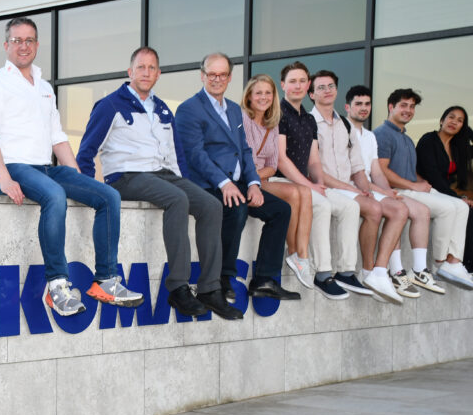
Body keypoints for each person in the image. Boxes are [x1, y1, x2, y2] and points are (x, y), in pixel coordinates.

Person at [0, 16, 144, 317]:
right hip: (11, 168)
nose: (23, 46)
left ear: (37, 45)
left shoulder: (44, 88)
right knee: (53, 195)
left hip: (44, 169)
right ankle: (57, 287)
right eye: (17, 40)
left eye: (29, 40)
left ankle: (106, 279)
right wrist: (2, 178)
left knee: (108, 196)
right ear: (6, 45)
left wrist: (79, 180)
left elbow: (58, 138)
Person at [76, 47, 242, 320]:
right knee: (178, 200)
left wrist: (186, 185)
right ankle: (178, 288)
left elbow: (177, 156)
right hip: (126, 177)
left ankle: (210, 289)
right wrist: (86, 188)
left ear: (158, 74)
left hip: (164, 174)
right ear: (130, 72)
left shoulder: (163, 108)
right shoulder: (110, 105)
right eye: (141, 67)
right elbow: (86, 151)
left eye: (152, 68)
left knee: (210, 205)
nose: (146, 72)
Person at [176, 52, 300, 302]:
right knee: (237, 207)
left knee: (280, 210)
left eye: (222, 74)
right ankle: (222, 277)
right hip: (206, 183)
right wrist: (224, 183)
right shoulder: (189, 109)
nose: (217, 79)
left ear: (230, 78)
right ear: (202, 76)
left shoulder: (234, 111)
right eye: (212, 74)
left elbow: (244, 150)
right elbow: (195, 155)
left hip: (237, 182)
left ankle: (264, 279)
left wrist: (254, 183)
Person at [308, 70, 405, 304]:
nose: (327, 90)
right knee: (373, 210)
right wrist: (351, 188)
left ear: (337, 91)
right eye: (321, 87)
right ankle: (364, 271)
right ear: (311, 94)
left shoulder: (345, 125)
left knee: (376, 206)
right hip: (326, 186)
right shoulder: (309, 122)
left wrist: (367, 190)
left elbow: (358, 168)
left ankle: (370, 273)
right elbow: (314, 168)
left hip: (347, 186)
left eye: (331, 86)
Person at [274, 61, 363, 300]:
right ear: (283, 85)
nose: (298, 85)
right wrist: (309, 186)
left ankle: (345, 271)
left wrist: (319, 183)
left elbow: (314, 161)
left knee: (350, 206)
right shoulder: (278, 113)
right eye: (292, 81)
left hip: (305, 183)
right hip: (282, 182)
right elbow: (281, 160)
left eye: (303, 81)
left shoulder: (309, 120)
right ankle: (323, 273)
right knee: (321, 205)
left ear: (308, 86)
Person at [375, 89, 473, 290]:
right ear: (391, 107)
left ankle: (453, 261)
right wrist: (414, 185)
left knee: (461, 207)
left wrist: (423, 183)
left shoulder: (405, 138)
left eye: (412, 107)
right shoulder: (382, 134)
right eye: (403, 105)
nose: (408, 110)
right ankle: (439, 264)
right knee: (447, 209)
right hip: (398, 191)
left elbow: (409, 171)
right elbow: (381, 170)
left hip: (413, 188)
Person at [344, 85, 434, 298]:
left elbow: (376, 170)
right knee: (395, 210)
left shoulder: (369, 136)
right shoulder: (343, 131)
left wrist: (387, 191)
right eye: (358, 104)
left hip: (369, 186)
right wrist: (380, 191)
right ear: (347, 107)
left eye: (367, 104)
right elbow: (353, 173)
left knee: (400, 207)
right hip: (350, 187)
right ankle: (380, 271)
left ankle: (381, 271)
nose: (364, 108)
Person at [240, 74, 314, 290]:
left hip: (261, 177)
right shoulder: (242, 119)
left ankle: (301, 256)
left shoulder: (272, 125)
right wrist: (254, 175)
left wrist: (258, 173)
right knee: (291, 195)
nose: (264, 97)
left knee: (304, 192)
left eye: (268, 93)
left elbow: (273, 165)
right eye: (259, 93)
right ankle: (292, 251)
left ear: (274, 96)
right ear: (250, 97)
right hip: (244, 180)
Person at [416, 106, 473, 284]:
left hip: (443, 192)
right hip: (426, 189)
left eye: (460, 120)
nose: (454, 122)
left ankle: (465, 261)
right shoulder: (429, 140)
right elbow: (433, 175)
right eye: (451, 117)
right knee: (466, 209)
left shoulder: (458, 147)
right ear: (441, 120)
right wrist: (457, 197)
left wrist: (469, 132)